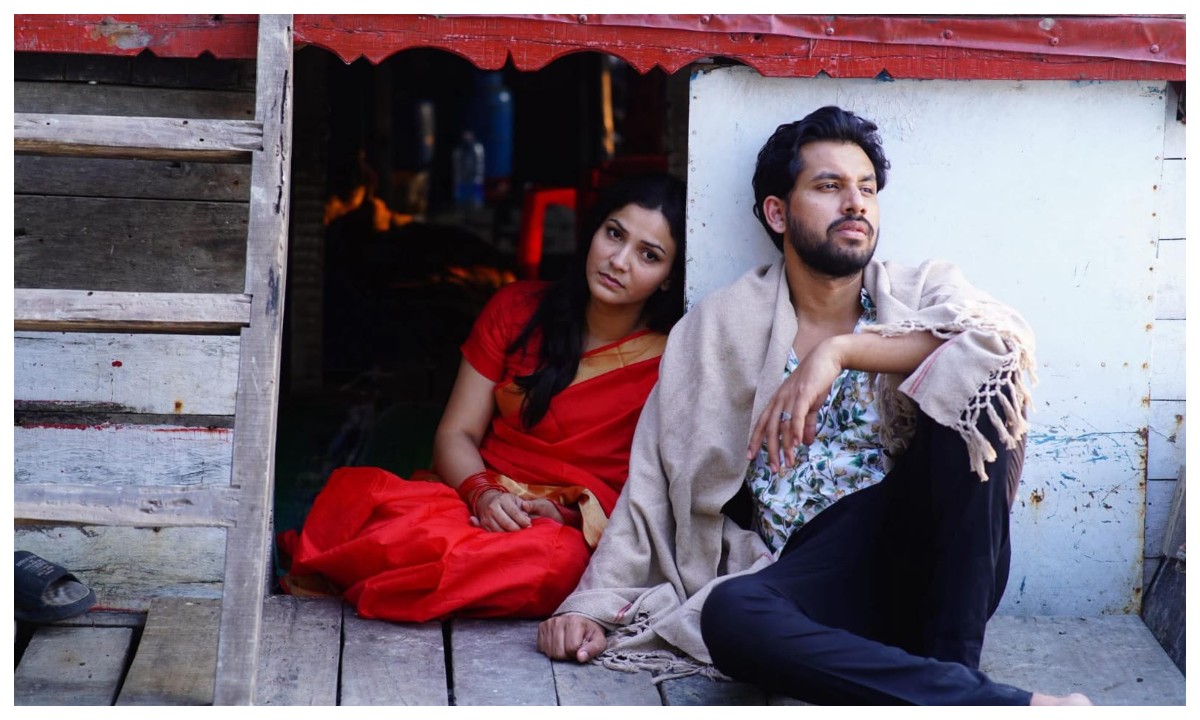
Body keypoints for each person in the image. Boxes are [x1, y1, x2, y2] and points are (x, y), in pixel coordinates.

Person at [536, 107, 1091, 706]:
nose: (855, 204)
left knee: (983, 381)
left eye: (867, 189)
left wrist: (839, 352)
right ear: (778, 213)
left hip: (928, 553)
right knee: (729, 614)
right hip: (808, 574)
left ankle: (954, 671)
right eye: (829, 187)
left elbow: (1003, 345)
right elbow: (653, 480)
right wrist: (592, 604)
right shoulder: (720, 326)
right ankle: (970, 702)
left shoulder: (920, 289)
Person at [280, 172, 687, 621]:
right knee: (362, 501)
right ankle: (431, 578)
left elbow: (651, 494)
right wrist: (485, 496)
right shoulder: (516, 310)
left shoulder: (672, 361)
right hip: (472, 500)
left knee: (553, 565)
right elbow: (456, 433)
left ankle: (409, 580)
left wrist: (566, 515)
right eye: (614, 234)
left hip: (560, 530)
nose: (619, 261)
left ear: (668, 278)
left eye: (649, 255)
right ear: (593, 230)